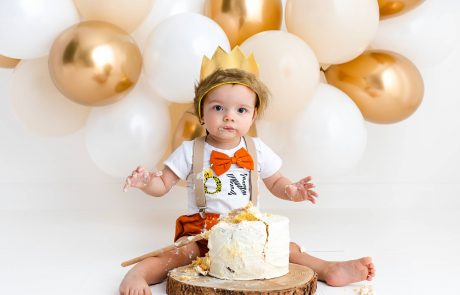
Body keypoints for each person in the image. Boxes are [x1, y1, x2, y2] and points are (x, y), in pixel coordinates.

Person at [119, 47, 375, 295]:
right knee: (173, 256)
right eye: (218, 108)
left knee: (287, 250)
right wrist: (146, 181)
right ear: (201, 113)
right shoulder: (190, 150)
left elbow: (275, 182)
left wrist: (292, 190)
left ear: (253, 116)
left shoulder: (257, 149)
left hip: (247, 233)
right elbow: (162, 184)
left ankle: (330, 269)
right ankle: (138, 274)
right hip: (202, 232)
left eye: (240, 110)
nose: (229, 116)